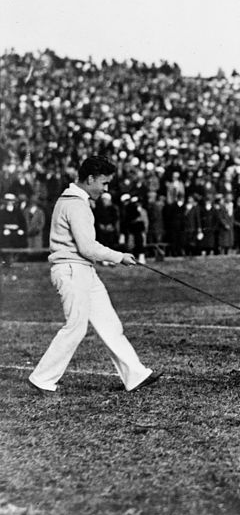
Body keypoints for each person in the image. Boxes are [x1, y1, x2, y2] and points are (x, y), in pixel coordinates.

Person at [28, 156, 160, 395]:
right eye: (104, 183)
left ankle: (135, 374)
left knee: (109, 323)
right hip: (71, 269)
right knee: (75, 327)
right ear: (90, 179)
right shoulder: (76, 204)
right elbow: (87, 247)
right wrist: (119, 256)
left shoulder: (76, 201)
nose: (106, 189)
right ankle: (42, 378)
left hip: (83, 270)